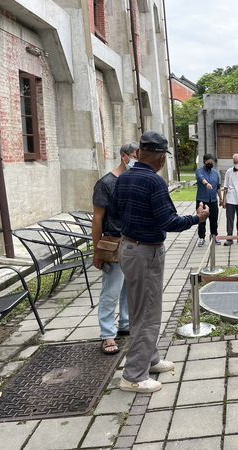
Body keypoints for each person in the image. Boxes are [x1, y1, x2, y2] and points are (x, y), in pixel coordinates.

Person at [113, 131, 209, 393]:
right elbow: (169, 221)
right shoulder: (153, 182)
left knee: (141, 308)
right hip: (145, 252)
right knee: (148, 313)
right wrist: (197, 218)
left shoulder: (124, 178)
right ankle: (133, 376)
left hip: (130, 247)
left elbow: (117, 213)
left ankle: (150, 359)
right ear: (159, 157)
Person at [92, 142, 138, 355]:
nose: (137, 159)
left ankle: (125, 323)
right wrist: (96, 250)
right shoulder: (106, 183)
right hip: (113, 243)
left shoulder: (133, 181)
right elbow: (98, 218)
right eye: (135, 155)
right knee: (111, 290)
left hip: (133, 242)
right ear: (124, 156)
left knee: (129, 287)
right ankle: (107, 334)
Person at [196, 153, 222, 247]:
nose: (211, 163)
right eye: (209, 161)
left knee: (214, 220)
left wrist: (221, 198)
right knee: (201, 220)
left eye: (212, 162)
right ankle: (201, 238)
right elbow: (200, 178)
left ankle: (214, 236)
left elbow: (218, 187)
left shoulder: (216, 173)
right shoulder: (199, 171)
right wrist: (206, 183)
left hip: (213, 200)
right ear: (204, 162)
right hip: (202, 200)